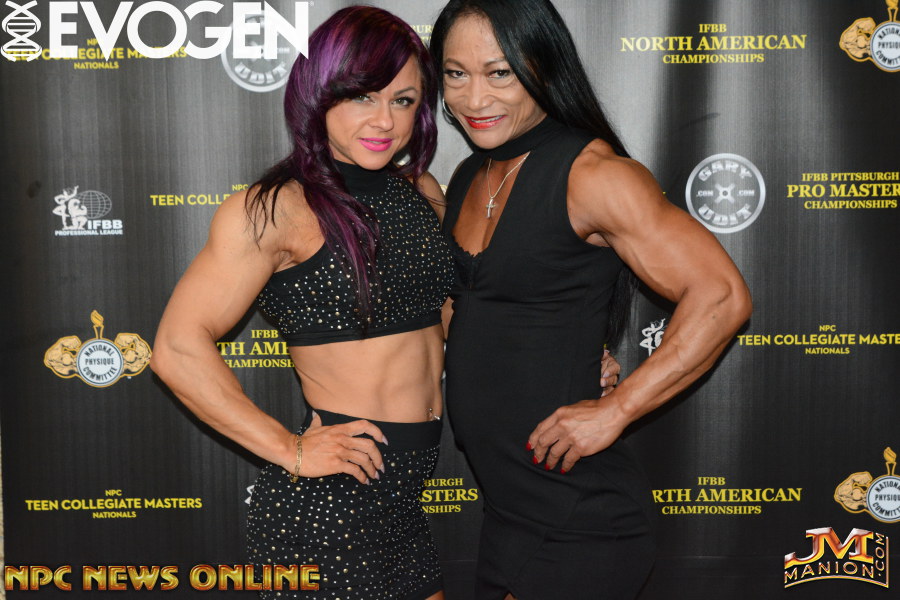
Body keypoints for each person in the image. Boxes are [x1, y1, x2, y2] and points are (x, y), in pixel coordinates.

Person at [429, 1, 753, 599]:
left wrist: (619, 408)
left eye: (500, 73)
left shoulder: (594, 174)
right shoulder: (472, 174)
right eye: (455, 74)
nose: (474, 98)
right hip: (509, 511)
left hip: (579, 516)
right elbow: (478, 313)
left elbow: (721, 295)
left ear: (543, 66)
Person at [151, 7, 454, 599]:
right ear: (319, 94)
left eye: (403, 100)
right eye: (362, 97)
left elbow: (451, 322)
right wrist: (287, 449)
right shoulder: (273, 209)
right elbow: (176, 349)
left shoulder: (422, 192)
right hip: (331, 504)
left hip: (404, 501)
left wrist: (567, 356)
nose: (385, 120)